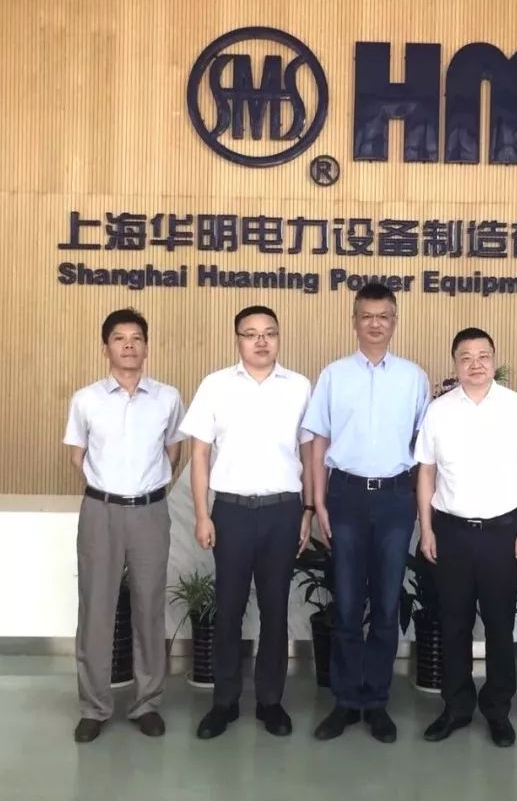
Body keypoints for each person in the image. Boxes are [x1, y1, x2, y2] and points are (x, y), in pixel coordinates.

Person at [302, 283, 430, 744]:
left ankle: (375, 701)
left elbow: (425, 450)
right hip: (346, 496)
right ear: (354, 321)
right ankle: (344, 701)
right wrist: (318, 502)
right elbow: (318, 441)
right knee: (347, 602)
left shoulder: (414, 378)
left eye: (384, 316)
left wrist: (422, 512)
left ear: (394, 322)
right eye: (367, 316)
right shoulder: (334, 375)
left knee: (388, 603)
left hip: (395, 498)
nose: (375, 323)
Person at [179, 306, 314, 740]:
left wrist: (308, 511)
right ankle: (224, 702)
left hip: (283, 511)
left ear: (279, 337)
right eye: (251, 333)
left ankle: (271, 702)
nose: (261, 341)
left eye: (269, 333)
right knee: (229, 609)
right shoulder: (215, 385)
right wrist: (202, 514)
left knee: (276, 609)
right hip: (231, 512)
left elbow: (310, 453)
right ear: (237, 339)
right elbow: (199, 454)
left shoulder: (299, 387)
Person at [414, 328, 517, 748]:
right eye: (466, 357)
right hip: (450, 532)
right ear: (455, 363)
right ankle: (456, 707)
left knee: (500, 624)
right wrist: (426, 528)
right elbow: (426, 472)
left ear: (494, 359)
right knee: (453, 623)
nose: (475, 364)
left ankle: (498, 711)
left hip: (502, 533)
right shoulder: (438, 411)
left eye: (483, 356)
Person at [63, 308, 186, 743]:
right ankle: (94, 707)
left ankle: (146, 704)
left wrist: (146, 487)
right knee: (96, 609)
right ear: (106, 348)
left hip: (150, 511)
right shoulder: (86, 399)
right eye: (119, 338)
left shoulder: (168, 398)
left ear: (146, 347)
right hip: (102, 512)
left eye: (136, 338)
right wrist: (109, 489)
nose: (129, 345)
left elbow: (174, 452)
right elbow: (77, 456)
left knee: (149, 608)